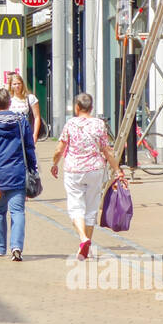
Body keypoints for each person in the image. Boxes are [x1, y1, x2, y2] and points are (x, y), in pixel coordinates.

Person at [50, 92, 124, 260]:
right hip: (94, 170)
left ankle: (83, 239)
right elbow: (107, 150)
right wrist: (117, 170)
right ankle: (87, 248)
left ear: (77, 107)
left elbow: (59, 149)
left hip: (73, 170)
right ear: (91, 108)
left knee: (76, 207)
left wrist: (54, 163)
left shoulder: (70, 124)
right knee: (91, 209)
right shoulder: (99, 125)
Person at [0, 88, 38, 261]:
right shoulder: (21, 121)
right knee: (18, 212)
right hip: (18, 173)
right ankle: (16, 246)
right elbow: (29, 147)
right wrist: (32, 168)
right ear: (10, 103)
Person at [7, 72, 43, 143]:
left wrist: (35, 135)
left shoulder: (30, 98)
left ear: (22, 84)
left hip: (26, 132)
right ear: (11, 85)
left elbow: (37, 117)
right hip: (12, 133)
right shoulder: (8, 99)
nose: (17, 86)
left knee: (27, 153)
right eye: (14, 84)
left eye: (19, 83)